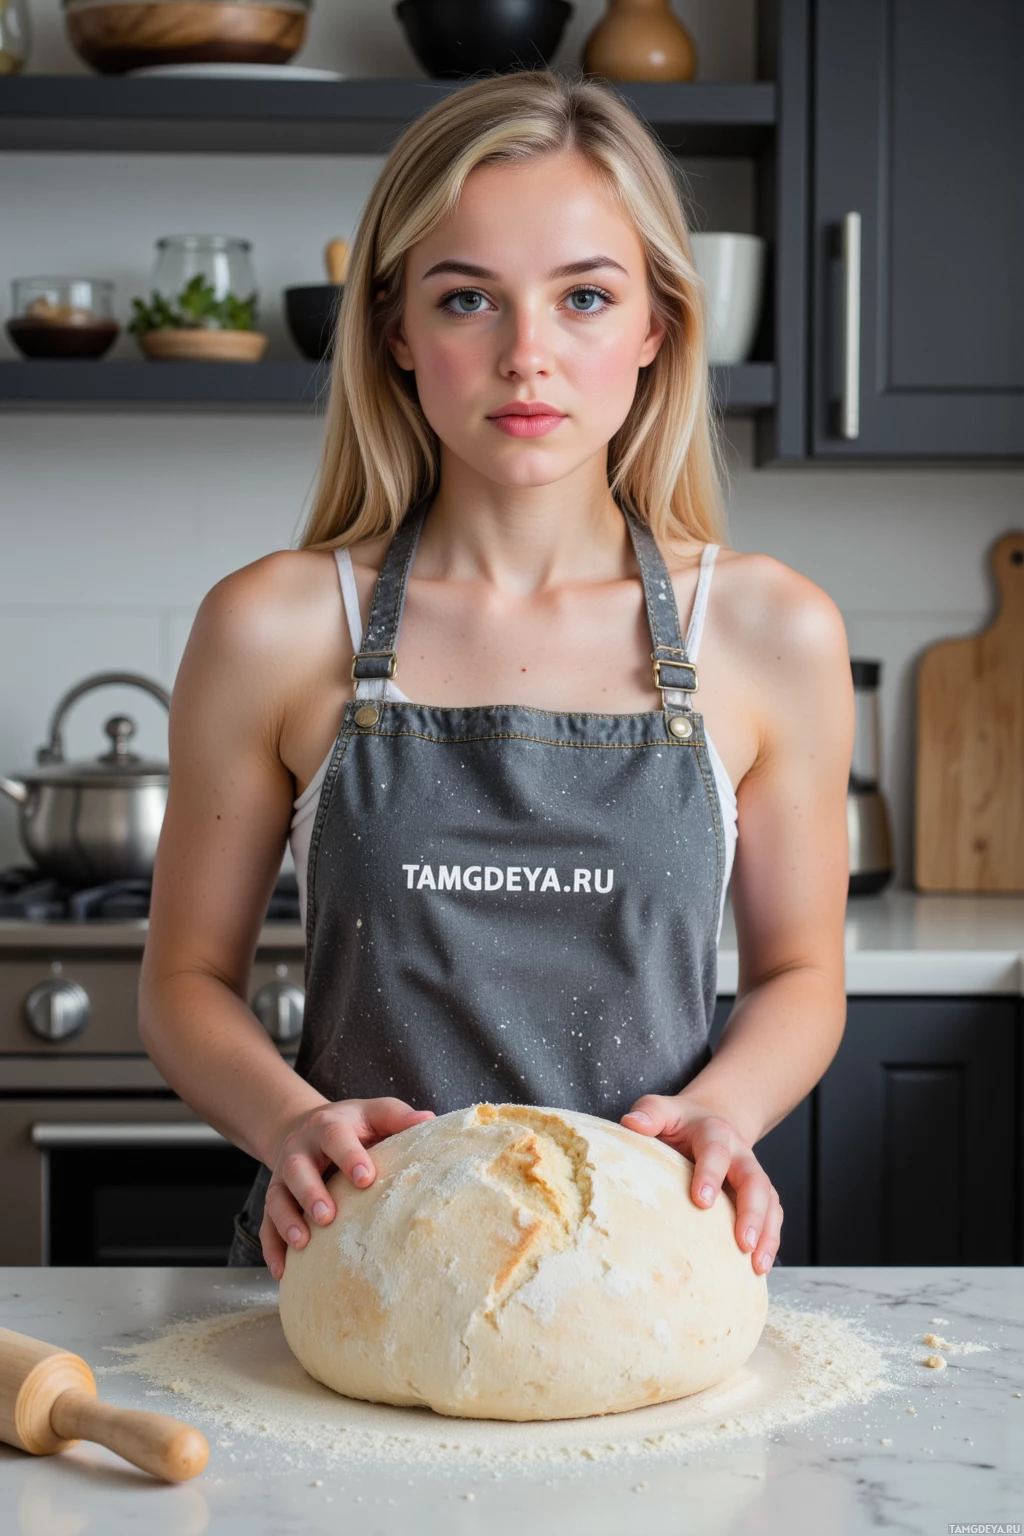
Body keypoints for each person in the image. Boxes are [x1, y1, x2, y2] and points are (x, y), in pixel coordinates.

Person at [139, 71, 853, 1285]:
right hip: (358, 1275)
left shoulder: (770, 629)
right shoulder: (275, 625)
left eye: (584, 296)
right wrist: (284, 1124)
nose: (529, 356)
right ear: (396, 333)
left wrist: (719, 1113)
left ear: (655, 331)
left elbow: (801, 975)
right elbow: (182, 984)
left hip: (643, 1278)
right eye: (468, 298)